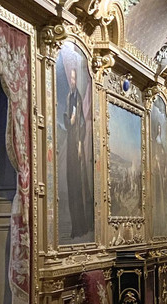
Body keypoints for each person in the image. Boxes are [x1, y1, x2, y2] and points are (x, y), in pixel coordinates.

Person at [64, 67, 93, 238]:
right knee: (71, 182)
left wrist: (81, 143)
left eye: (75, 78)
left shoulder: (78, 98)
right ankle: (76, 225)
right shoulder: (69, 97)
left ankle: (81, 225)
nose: (73, 81)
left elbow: (81, 122)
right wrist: (70, 121)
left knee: (79, 184)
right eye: (71, 78)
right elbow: (69, 122)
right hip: (70, 145)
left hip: (77, 144)